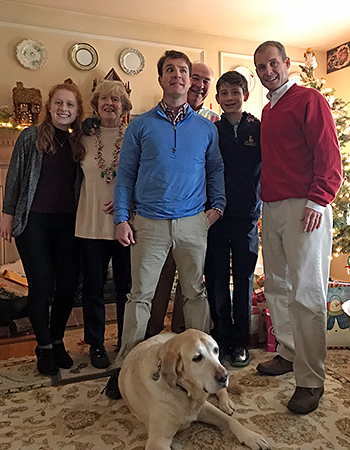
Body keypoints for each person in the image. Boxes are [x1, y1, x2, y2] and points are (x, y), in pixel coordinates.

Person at [104, 50, 226, 399]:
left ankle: (202, 367)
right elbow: (126, 174)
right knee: (139, 296)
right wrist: (122, 218)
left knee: (194, 294)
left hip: (193, 223)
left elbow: (215, 169)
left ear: (190, 79)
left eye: (183, 71)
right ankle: (124, 365)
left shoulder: (206, 128)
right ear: (160, 79)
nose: (177, 75)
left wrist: (215, 209)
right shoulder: (140, 125)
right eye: (169, 70)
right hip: (149, 223)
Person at [253, 41, 342, 414]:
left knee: (306, 294)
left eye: (273, 63)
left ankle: (311, 380)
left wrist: (318, 199)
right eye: (260, 67)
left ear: (286, 64)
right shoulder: (268, 109)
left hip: (306, 207)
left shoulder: (309, 100)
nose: (267, 71)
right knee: (277, 287)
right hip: (272, 209)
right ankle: (288, 352)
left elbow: (329, 155)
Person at [0, 79, 85, 376]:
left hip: (68, 225)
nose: (64, 108)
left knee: (68, 286)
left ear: (77, 111)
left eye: (70, 104)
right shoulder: (31, 137)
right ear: (49, 107)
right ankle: (44, 347)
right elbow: (14, 178)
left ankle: (58, 339)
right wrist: (7, 214)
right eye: (59, 103)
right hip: (33, 221)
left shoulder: (79, 142)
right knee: (41, 285)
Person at [146, 61, 220, 338]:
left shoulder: (215, 122)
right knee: (160, 279)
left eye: (206, 81)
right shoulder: (154, 120)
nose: (200, 85)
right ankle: (151, 334)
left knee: (191, 283)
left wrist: (217, 208)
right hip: (161, 215)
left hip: (200, 215)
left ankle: (183, 334)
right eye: (196, 78)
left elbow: (217, 168)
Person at [204, 71, 261, 367]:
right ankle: (221, 337)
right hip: (216, 216)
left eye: (235, 93)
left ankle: (240, 341)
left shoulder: (259, 128)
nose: (229, 98)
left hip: (247, 218)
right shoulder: (212, 130)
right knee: (216, 280)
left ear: (245, 96)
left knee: (243, 280)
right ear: (218, 99)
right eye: (224, 93)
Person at [75, 80, 132, 369]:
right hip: (89, 224)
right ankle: (96, 344)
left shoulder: (134, 136)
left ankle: (126, 342)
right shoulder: (82, 137)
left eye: (116, 99)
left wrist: (129, 202)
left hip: (125, 224)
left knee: (126, 289)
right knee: (94, 289)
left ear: (124, 106)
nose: (110, 103)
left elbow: (143, 176)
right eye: (104, 99)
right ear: (96, 104)